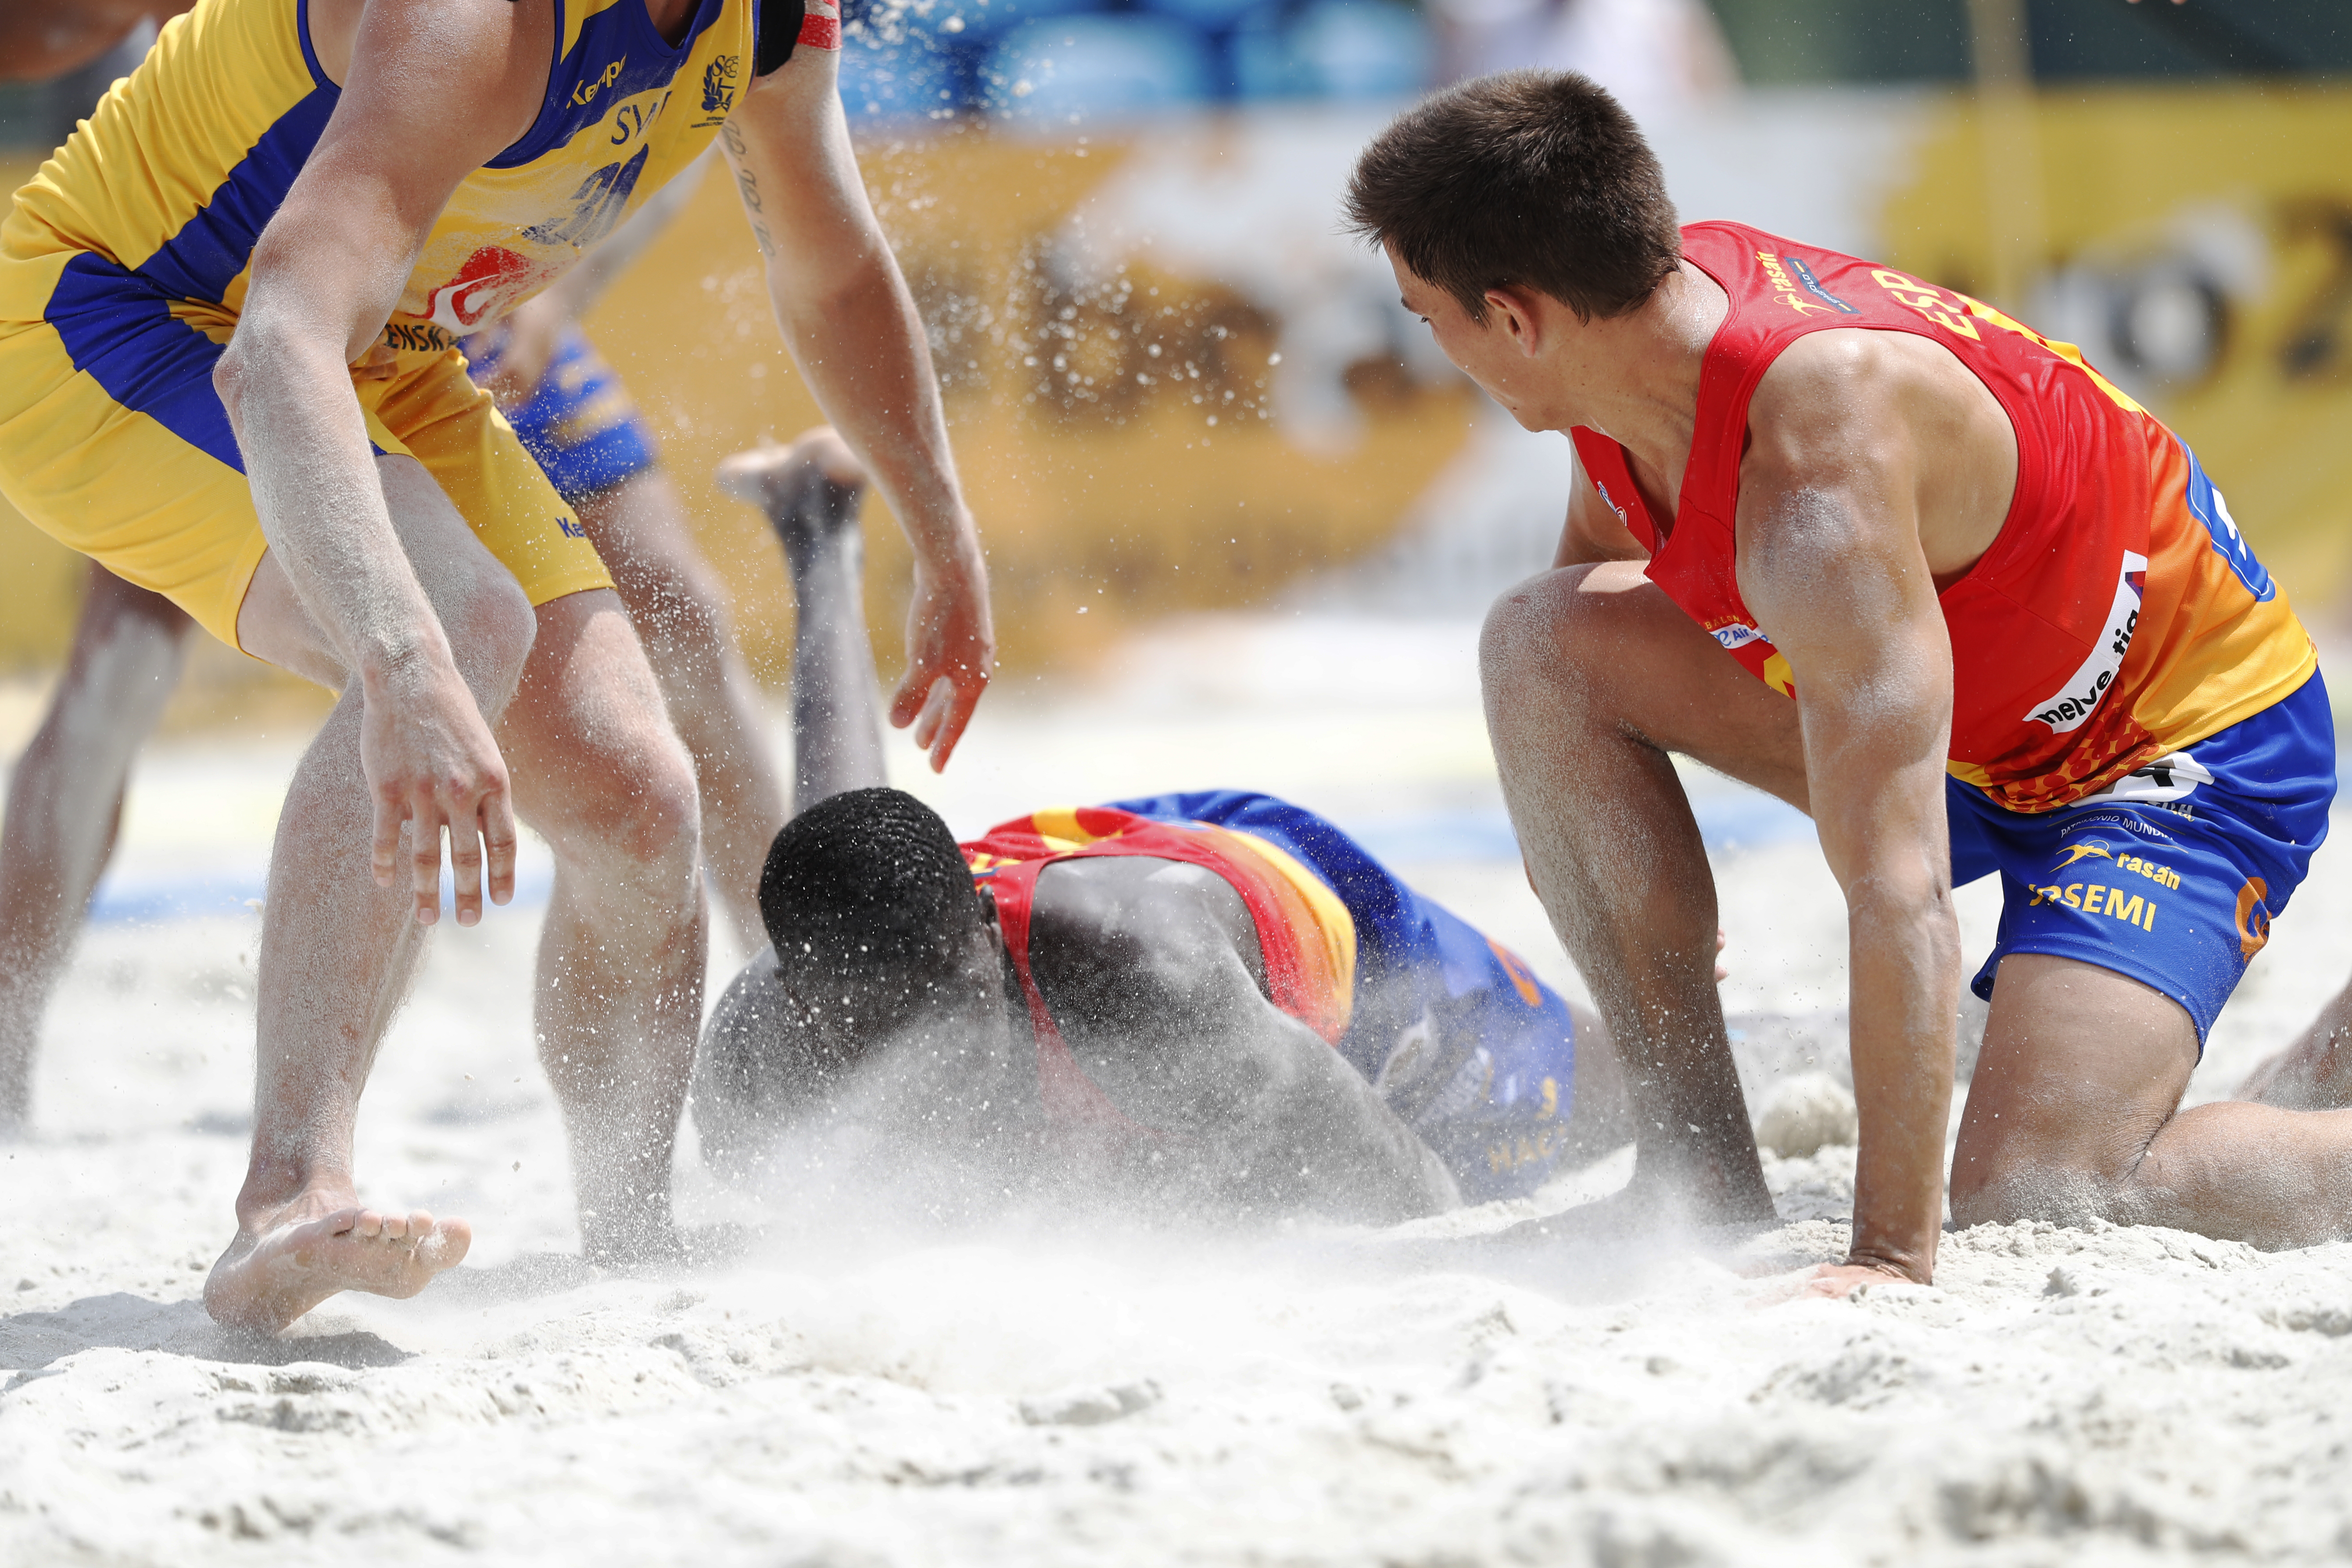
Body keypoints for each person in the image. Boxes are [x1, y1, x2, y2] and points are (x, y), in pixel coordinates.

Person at [0, 0, 994, 1333]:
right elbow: (277, 338)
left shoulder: (769, 27)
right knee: (440, 629)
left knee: (641, 799)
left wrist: (943, 531)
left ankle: (630, 1233)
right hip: (118, 317)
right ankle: (287, 1193)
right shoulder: (467, 18)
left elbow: (832, 269)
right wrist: (402, 662)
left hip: (393, 348)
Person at [1342, 70, 2344, 1293]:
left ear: (1513, 319)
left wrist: (1882, 1256)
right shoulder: (1624, 359)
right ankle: (1694, 1177)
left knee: (2040, 1187)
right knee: (1536, 645)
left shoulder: (1816, 462)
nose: (1427, 347)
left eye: (1425, 316)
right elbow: (1589, 607)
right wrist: (1613, 861)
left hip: (2168, 744)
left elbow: (1899, 889)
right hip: (1979, 708)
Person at [0, 147, 793, 1135]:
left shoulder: (685, 70)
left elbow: (682, 136)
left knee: (678, 629)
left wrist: (562, 293)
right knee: (120, 677)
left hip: (451, 311)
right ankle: (11, 1046)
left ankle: (797, 1003)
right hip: (244, 310)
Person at [689, 429, 1637, 1219]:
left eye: (944, 1006)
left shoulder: (1141, 982)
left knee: (1619, 1092)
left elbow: (1405, 1196)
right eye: (870, 1032)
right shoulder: (761, 1058)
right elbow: (849, 861)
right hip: (1049, 874)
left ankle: (1725, 1037)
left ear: (982, 929)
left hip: (1292, 908)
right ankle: (819, 522)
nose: (924, 1056)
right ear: (798, 1001)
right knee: (839, 853)